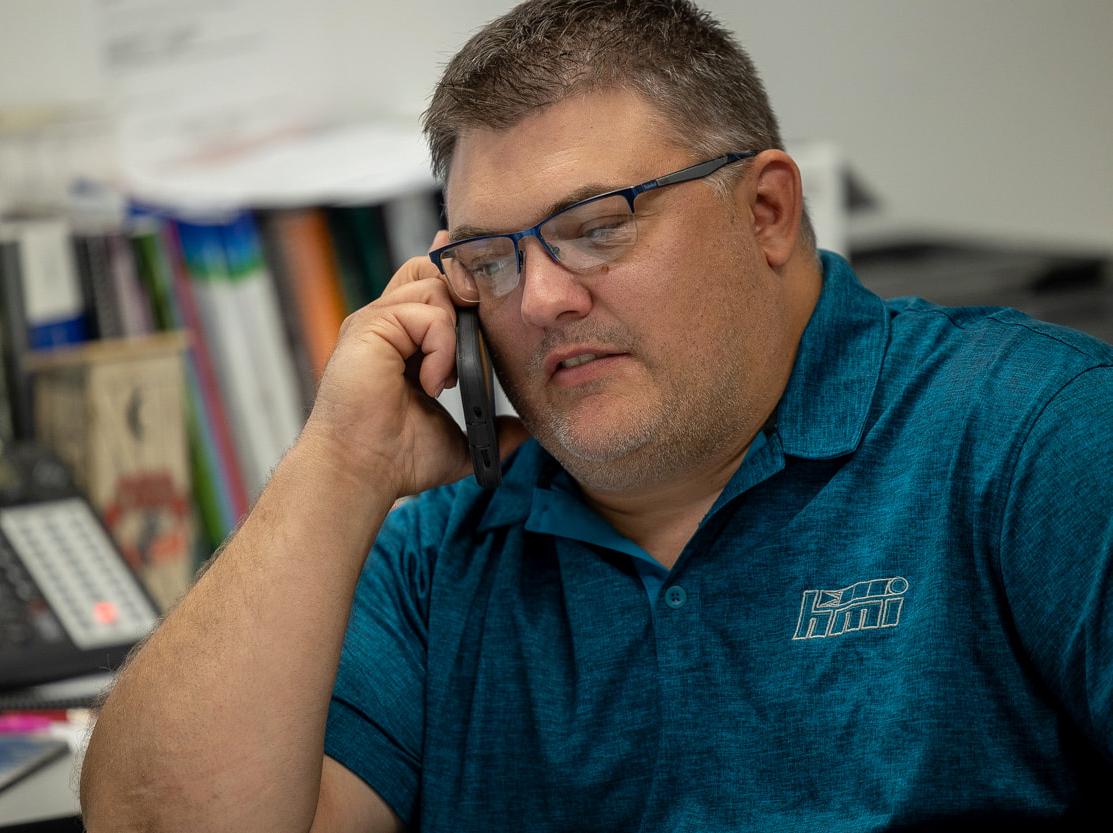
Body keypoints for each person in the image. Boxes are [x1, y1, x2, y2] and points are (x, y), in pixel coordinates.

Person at [79, 0, 1113, 829]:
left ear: (765, 212)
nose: (537, 300)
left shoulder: (1035, 440)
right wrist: (338, 462)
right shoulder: (438, 558)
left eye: (594, 227)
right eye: (489, 258)